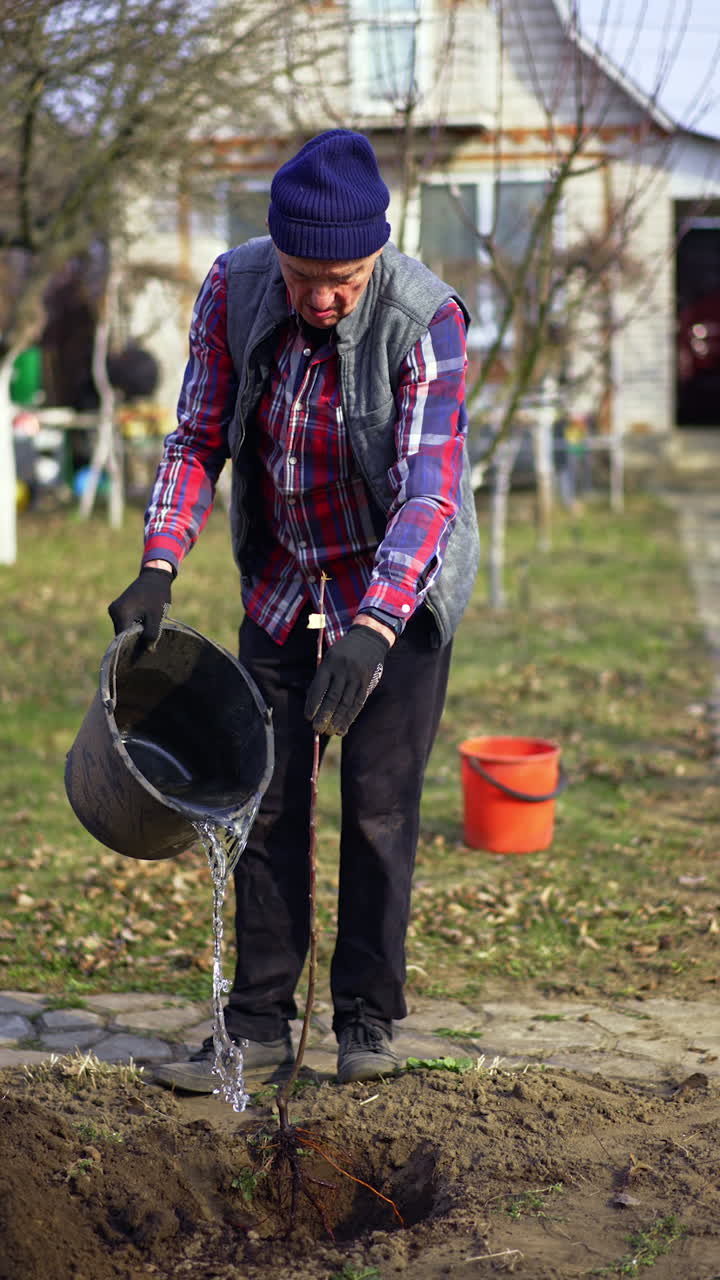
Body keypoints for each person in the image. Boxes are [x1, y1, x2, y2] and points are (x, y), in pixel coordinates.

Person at [108, 129, 480, 1089]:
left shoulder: (426, 318)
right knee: (263, 804)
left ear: (376, 256)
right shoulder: (233, 291)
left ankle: (365, 1025)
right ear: (276, 249)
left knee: (380, 812)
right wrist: (159, 563)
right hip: (282, 582)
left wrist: (371, 630)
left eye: (344, 278)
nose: (322, 297)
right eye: (306, 273)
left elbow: (427, 495)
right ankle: (259, 1023)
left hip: (397, 591)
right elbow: (196, 437)